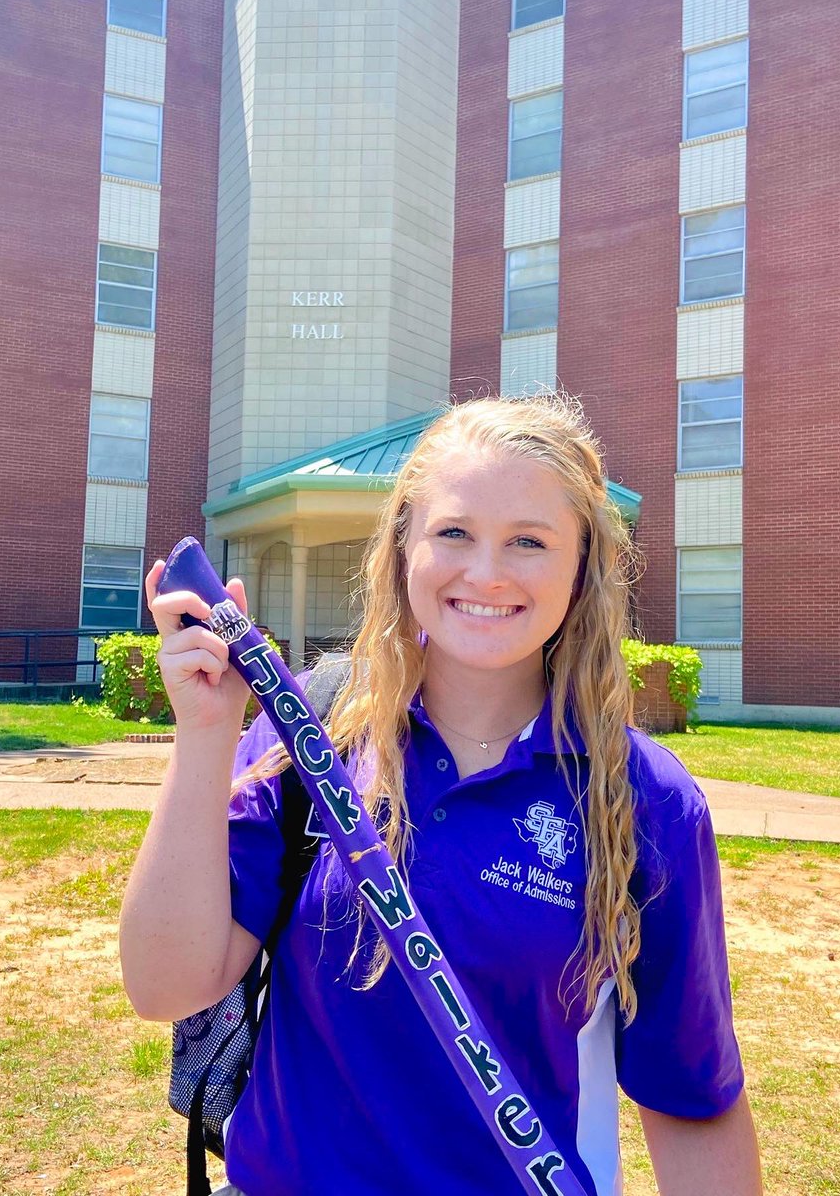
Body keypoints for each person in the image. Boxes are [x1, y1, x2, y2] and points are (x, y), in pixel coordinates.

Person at [120, 394, 762, 1196]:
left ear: (581, 567)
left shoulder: (645, 801)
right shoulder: (312, 735)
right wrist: (208, 735)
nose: (485, 573)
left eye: (528, 542)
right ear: (403, 549)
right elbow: (166, 985)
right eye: (454, 532)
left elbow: (691, 1097)